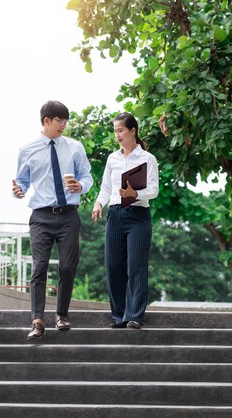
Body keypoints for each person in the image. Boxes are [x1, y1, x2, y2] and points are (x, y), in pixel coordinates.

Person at [12, 100, 93, 340]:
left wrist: (80, 186)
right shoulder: (27, 150)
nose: (64, 125)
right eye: (60, 121)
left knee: (68, 266)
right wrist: (19, 190)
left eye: (66, 121)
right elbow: (22, 182)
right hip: (41, 216)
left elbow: (86, 176)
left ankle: (61, 314)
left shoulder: (75, 147)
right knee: (40, 267)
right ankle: (37, 320)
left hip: (68, 214)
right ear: (46, 121)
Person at [91, 112, 159, 329]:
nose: (117, 135)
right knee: (113, 265)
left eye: (120, 130)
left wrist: (134, 194)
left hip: (138, 215)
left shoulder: (147, 159)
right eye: (115, 131)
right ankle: (119, 315)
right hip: (115, 215)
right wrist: (99, 203)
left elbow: (154, 190)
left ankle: (135, 316)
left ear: (133, 131)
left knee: (137, 266)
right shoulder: (113, 158)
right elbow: (106, 187)